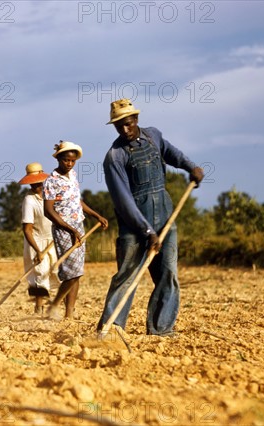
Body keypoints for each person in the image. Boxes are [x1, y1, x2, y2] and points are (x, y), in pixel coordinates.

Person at [97, 99, 204, 337]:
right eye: (119, 126)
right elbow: (123, 201)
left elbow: (171, 153)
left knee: (168, 273)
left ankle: (161, 328)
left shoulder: (154, 136)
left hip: (165, 215)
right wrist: (147, 232)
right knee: (127, 276)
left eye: (128, 123)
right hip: (133, 225)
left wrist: (191, 167)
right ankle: (111, 330)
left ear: (136, 119)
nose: (125, 129)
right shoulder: (114, 157)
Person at [43, 141, 108, 320]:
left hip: (78, 226)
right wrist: (70, 230)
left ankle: (68, 314)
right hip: (63, 230)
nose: (69, 164)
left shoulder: (72, 175)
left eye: (72, 161)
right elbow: (48, 211)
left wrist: (96, 215)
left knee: (77, 272)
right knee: (72, 272)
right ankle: (55, 304)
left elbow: (76, 201)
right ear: (58, 159)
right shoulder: (51, 181)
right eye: (66, 160)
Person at [18, 162, 59, 314]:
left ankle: (62, 309)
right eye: (34, 183)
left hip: (53, 239)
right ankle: (39, 309)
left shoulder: (51, 194)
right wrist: (38, 251)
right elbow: (27, 230)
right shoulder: (29, 200)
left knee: (58, 272)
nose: (38, 186)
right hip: (36, 241)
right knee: (40, 275)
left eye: (40, 182)